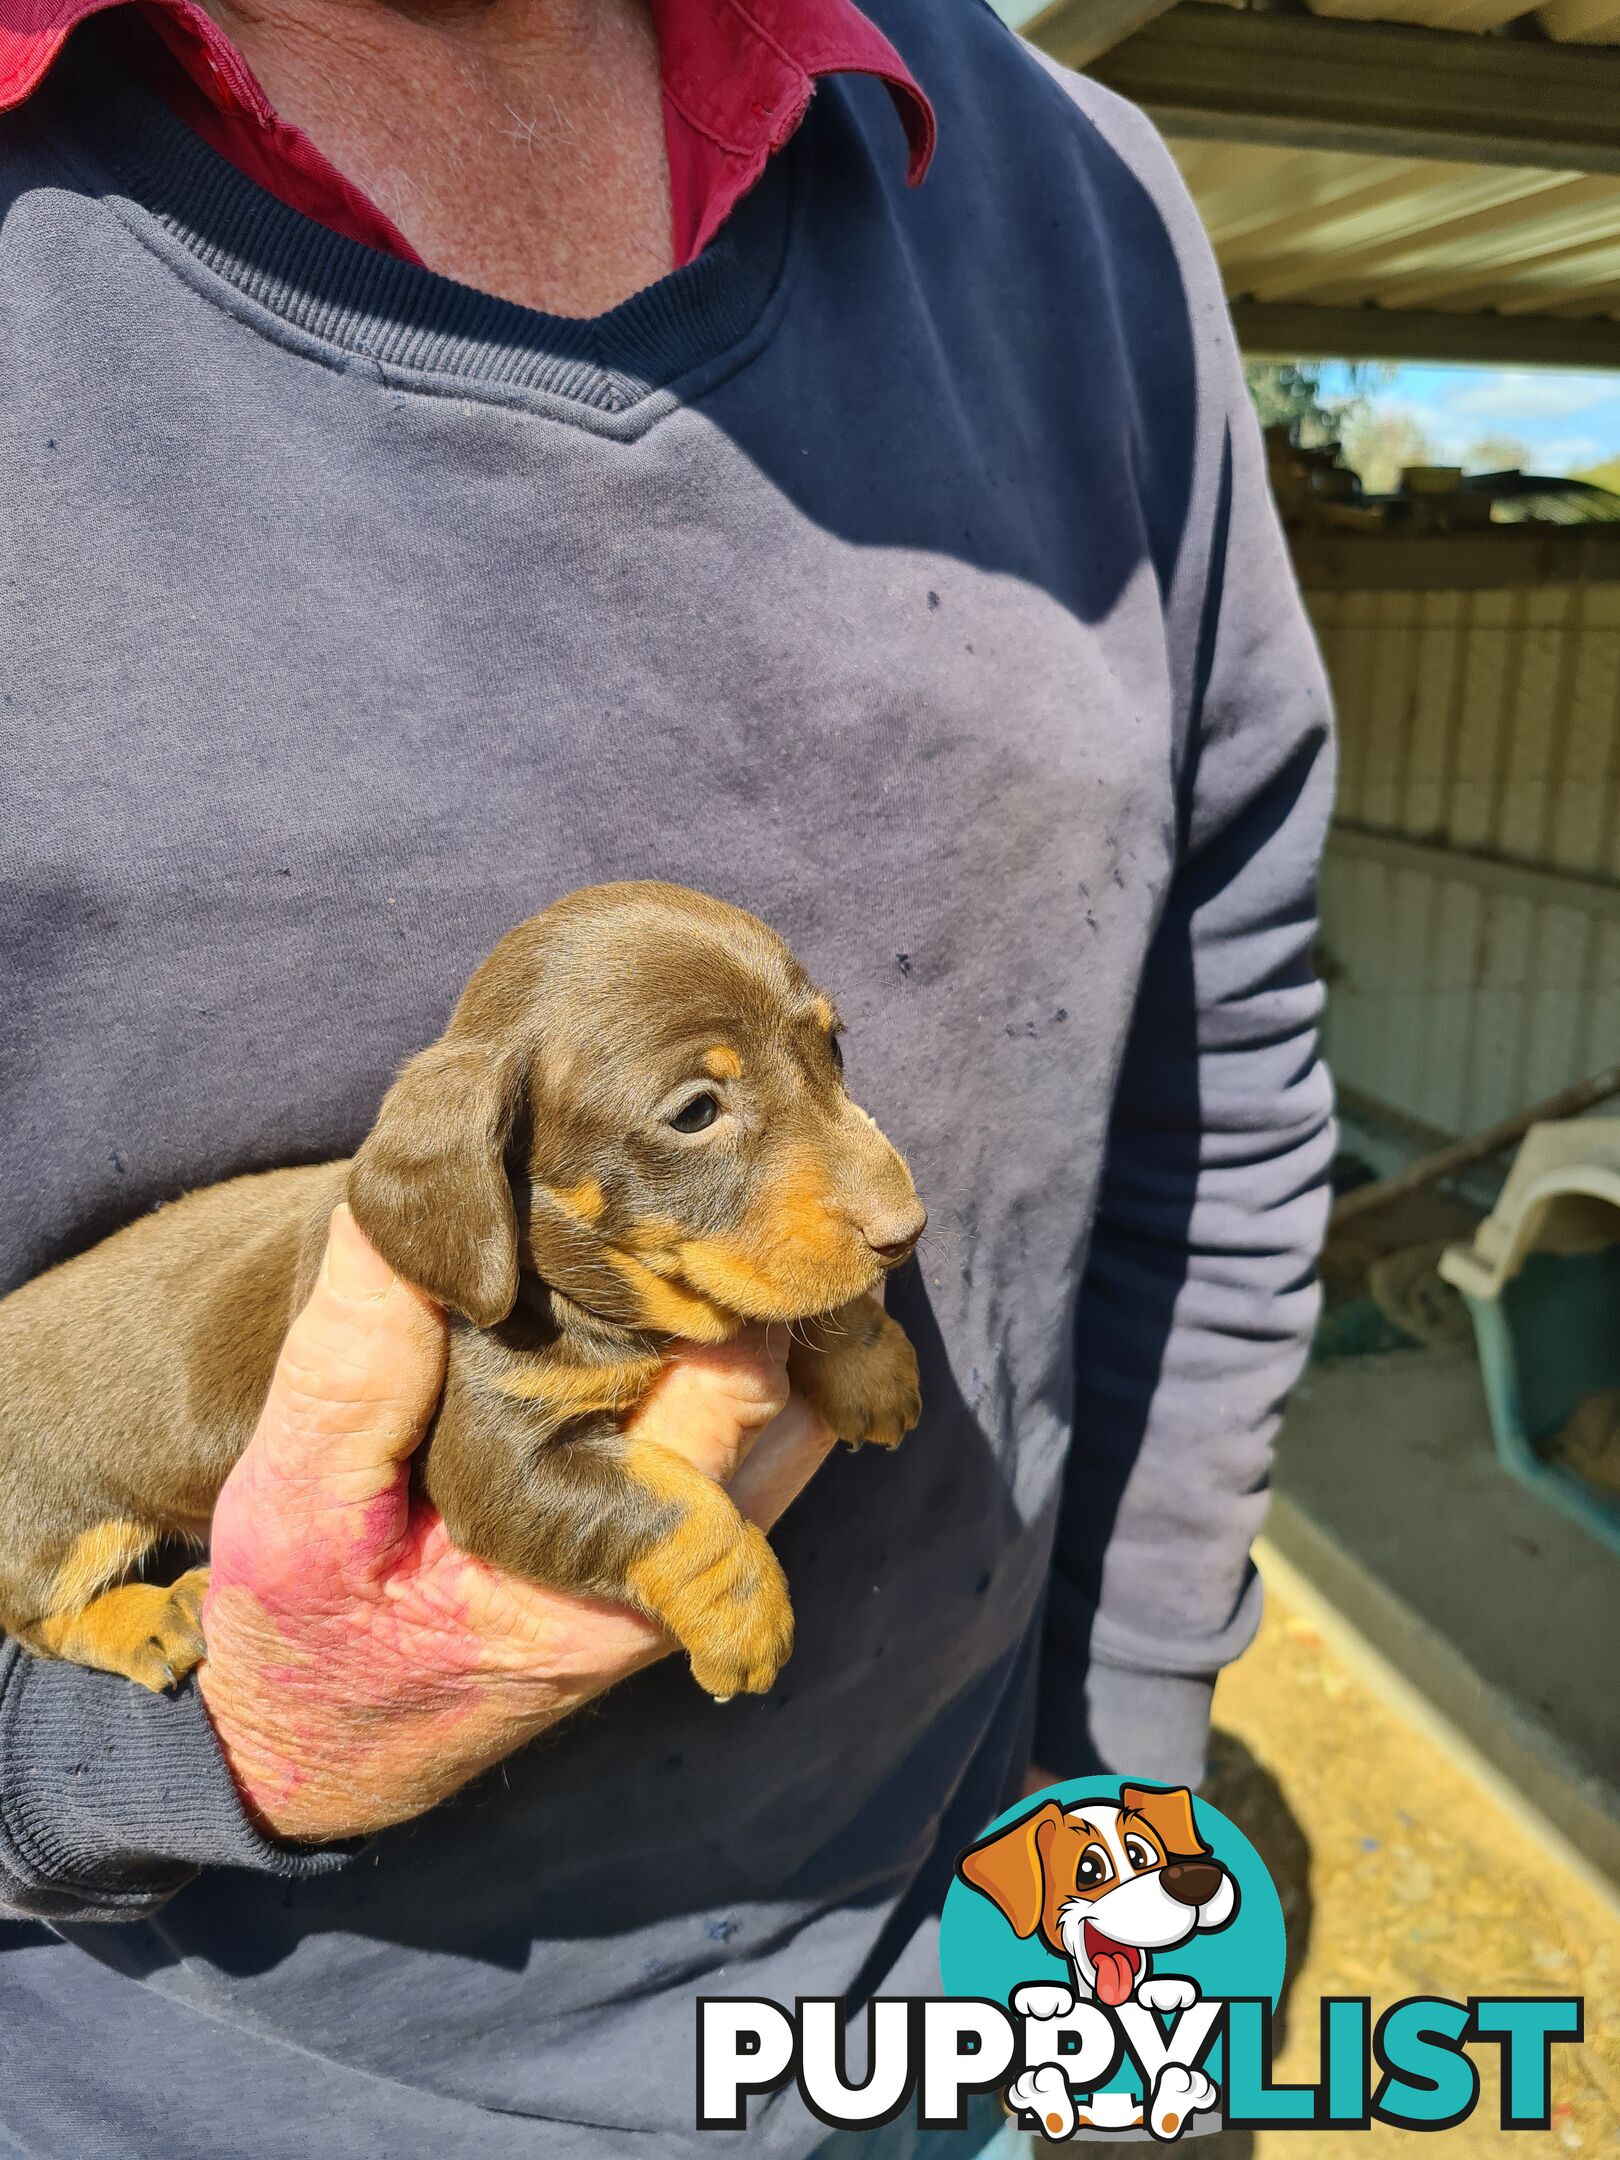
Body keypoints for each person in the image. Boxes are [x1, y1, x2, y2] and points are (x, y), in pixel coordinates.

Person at [0, 0, 1335, 2151]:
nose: (883, 1198)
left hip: (982, 1981)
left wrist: (1122, 1803)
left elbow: (1229, 1059)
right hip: (187, 2087)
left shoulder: (1074, 198)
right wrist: (139, 1760)